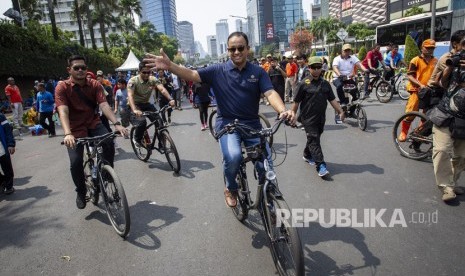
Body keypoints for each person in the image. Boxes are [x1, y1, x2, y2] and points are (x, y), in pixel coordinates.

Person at [144, 31, 295, 208]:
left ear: (248, 49)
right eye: (232, 49)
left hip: (253, 125)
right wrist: (171, 66)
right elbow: (192, 74)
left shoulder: (258, 72)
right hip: (228, 125)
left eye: (240, 48)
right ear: (228, 51)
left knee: (266, 166)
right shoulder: (217, 70)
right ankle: (230, 187)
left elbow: (270, 93)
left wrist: (283, 110)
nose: (236, 52)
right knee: (234, 156)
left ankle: (269, 200)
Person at [55, 55, 128, 209]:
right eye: (76, 68)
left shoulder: (95, 84)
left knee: (108, 141)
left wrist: (117, 124)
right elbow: (63, 111)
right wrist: (67, 133)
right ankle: (81, 191)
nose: (80, 70)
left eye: (83, 67)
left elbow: (104, 105)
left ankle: (107, 174)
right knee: (75, 162)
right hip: (74, 129)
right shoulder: (62, 87)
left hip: (93, 123)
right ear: (69, 70)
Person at [291, 57, 345, 178]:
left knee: (314, 138)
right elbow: (296, 101)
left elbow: (332, 100)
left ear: (322, 68)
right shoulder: (303, 84)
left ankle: (307, 154)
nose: (316, 70)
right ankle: (321, 165)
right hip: (307, 118)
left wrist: (340, 111)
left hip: (320, 118)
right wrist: (293, 114)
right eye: (313, 67)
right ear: (309, 68)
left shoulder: (325, 84)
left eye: (318, 67)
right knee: (314, 139)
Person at [427, 31, 465, 202]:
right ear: (455, 45)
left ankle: (452, 181)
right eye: (464, 44)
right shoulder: (448, 60)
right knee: (442, 150)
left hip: (463, 119)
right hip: (446, 113)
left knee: (461, 156)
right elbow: (441, 83)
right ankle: (446, 187)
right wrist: (451, 66)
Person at [398, 39, 438, 142]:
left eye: (432, 48)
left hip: (429, 91)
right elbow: (410, 75)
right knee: (411, 113)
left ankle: (419, 133)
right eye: (428, 48)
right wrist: (420, 84)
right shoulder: (415, 60)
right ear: (422, 48)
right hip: (416, 90)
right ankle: (403, 132)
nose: (430, 50)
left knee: (426, 115)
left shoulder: (435, 61)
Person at [127, 62, 175, 148]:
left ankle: (162, 144)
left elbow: (162, 89)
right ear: (139, 71)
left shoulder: (152, 79)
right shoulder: (133, 81)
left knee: (160, 122)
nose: (146, 75)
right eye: (144, 72)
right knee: (142, 122)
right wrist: (134, 109)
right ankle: (136, 139)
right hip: (135, 105)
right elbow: (130, 95)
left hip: (146, 104)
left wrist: (170, 99)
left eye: (148, 72)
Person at [0, 112, 16, 194]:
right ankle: (2, 181)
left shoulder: (1, 116)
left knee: (7, 168)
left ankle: (9, 186)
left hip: (2, 148)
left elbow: (8, 131)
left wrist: (10, 144)